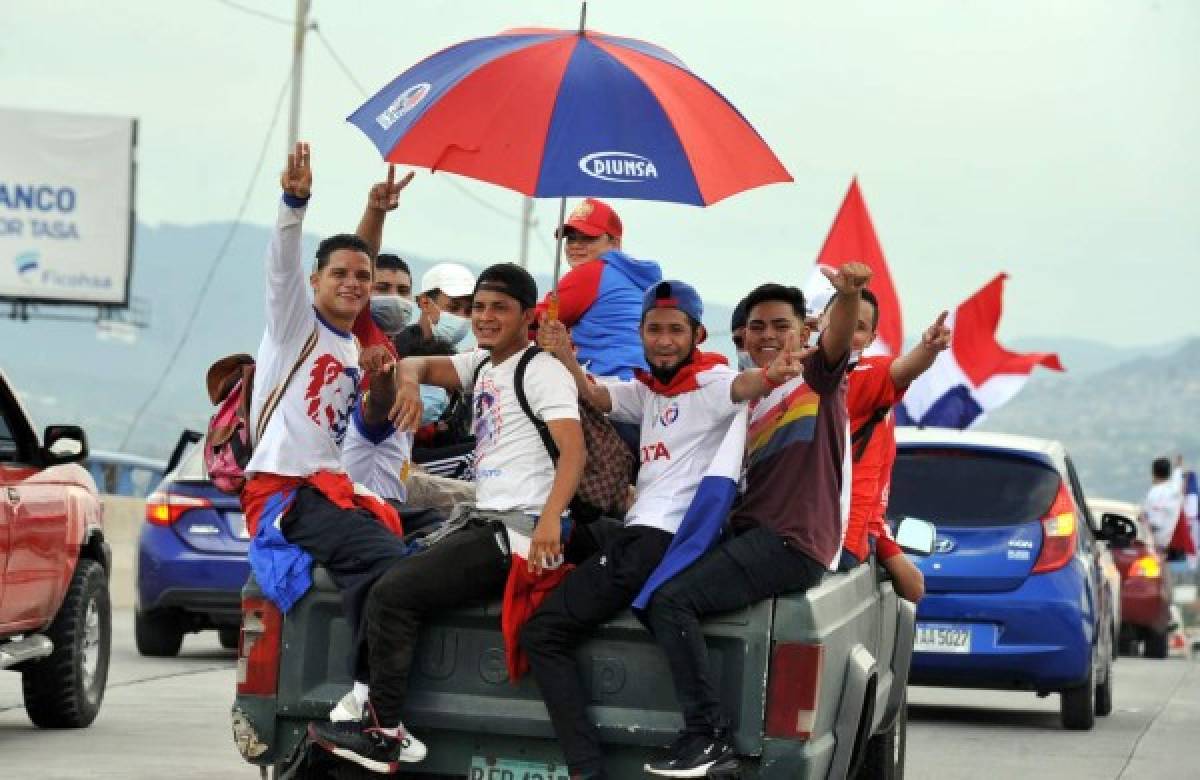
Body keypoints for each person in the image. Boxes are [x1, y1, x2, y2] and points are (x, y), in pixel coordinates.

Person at [522, 279, 807, 780]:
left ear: (698, 334)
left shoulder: (710, 381)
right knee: (579, 534)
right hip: (638, 534)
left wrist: (770, 375)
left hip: (657, 540)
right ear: (641, 333)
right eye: (654, 329)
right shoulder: (652, 391)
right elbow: (598, 396)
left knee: (543, 633)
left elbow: (742, 386)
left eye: (677, 330)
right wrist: (565, 354)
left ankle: (587, 768)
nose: (664, 339)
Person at [309, 263, 585, 774]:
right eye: (478, 306)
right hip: (486, 520)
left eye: (499, 308)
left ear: (528, 316)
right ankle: (371, 710)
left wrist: (550, 522)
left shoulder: (540, 370)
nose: (484, 317)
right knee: (391, 571)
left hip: (520, 532)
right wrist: (408, 384)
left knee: (394, 591)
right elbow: (412, 363)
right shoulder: (482, 364)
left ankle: (384, 731)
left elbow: (574, 452)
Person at [641, 264, 872, 777]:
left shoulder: (818, 378)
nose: (770, 336)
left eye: (782, 326)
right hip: (752, 536)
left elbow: (838, 339)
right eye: (758, 327)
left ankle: (708, 736)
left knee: (670, 600)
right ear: (741, 336)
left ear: (804, 331)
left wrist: (850, 295)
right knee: (653, 588)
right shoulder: (749, 397)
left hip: (792, 543)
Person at [239, 143, 416, 751]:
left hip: (331, 489)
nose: (352, 283)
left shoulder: (357, 341)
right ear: (315, 282)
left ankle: (369, 694)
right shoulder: (295, 324)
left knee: (402, 550)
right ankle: (366, 695)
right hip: (285, 492)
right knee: (389, 563)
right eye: (336, 274)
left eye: (362, 279)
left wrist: (385, 375)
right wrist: (294, 202)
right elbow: (283, 265)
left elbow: (359, 254)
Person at [825, 289, 950, 602]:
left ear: (870, 339)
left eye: (859, 327)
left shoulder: (868, 376)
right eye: (842, 320)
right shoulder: (795, 375)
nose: (847, 331)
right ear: (819, 323)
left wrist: (927, 349)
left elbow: (903, 369)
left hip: (835, 542)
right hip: (812, 534)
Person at [534, 197, 663, 381]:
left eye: (588, 237)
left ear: (615, 243)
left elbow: (529, 321)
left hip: (610, 385)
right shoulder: (633, 277)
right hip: (645, 385)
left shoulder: (591, 273)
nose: (576, 245)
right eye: (571, 238)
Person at [1144, 456, 1185, 554]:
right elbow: (1177, 478)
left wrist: (1143, 519)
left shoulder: (1155, 493)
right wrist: (1178, 467)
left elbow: (1155, 524)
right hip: (1176, 545)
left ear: (1153, 473)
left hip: (1161, 547)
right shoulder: (1175, 488)